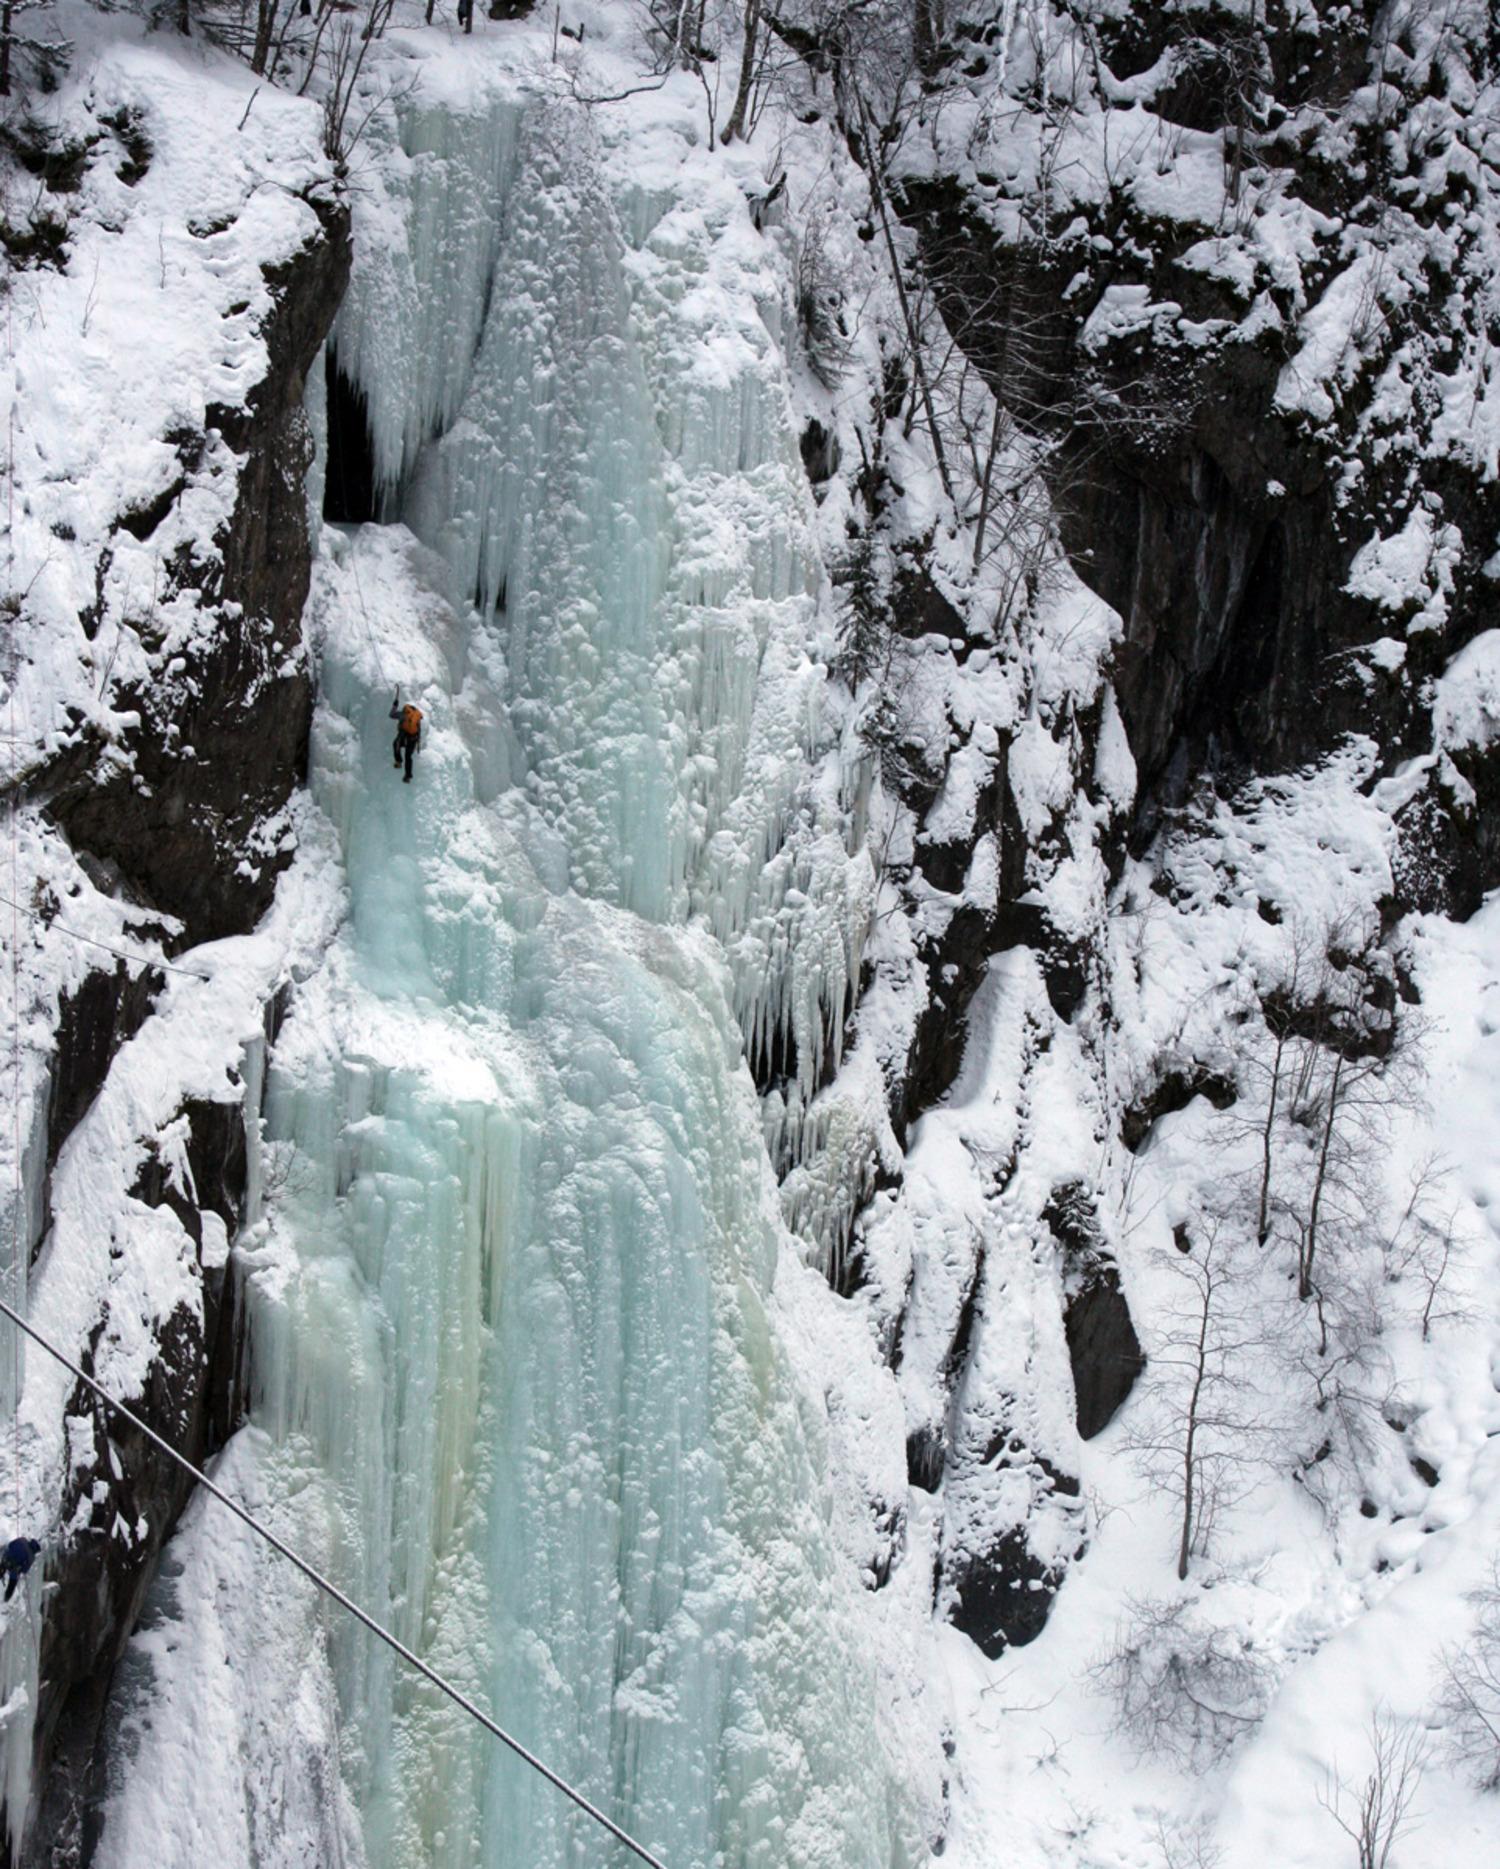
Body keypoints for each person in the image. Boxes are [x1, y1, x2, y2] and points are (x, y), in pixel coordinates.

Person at [390, 695, 423, 783]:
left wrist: (395, 706)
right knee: (408, 756)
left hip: (403, 737)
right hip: (413, 739)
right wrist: (418, 744)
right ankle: (408, 776)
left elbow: (391, 715)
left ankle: (398, 762)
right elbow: (419, 730)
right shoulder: (416, 717)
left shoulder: (403, 714)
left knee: (396, 744)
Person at [2, 1538, 39, 1602]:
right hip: (13, 1568)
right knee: (12, 1583)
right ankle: (6, 1598)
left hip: (5, 1558)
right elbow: (25, 1570)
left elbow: (10, 1544)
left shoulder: (22, 1539)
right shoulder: (31, 1556)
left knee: (2, 1567)